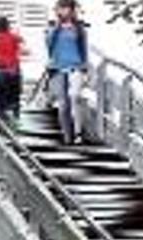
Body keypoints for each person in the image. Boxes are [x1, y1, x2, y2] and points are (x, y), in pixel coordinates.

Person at [45, 0, 89, 144]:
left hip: (76, 67)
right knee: (63, 104)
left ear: (72, 10)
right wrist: (56, 28)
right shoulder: (52, 27)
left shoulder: (79, 28)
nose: (63, 11)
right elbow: (49, 47)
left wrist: (85, 68)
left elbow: (84, 49)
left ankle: (78, 132)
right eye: (61, 8)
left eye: (66, 8)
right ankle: (67, 135)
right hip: (57, 68)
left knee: (75, 96)